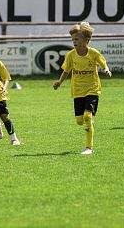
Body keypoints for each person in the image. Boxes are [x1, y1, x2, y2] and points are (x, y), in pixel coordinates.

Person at [53, 22, 112, 155]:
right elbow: (66, 71)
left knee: (87, 117)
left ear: (86, 39)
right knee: (79, 121)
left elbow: (103, 64)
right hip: (78, 90)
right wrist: (59, 82)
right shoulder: (71, 55)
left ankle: (88, 147)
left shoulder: (93, 53)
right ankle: (89, 120)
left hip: (93, 89)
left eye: (77, 39)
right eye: (73, 39)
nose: (74, 41)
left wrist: (106, 70)